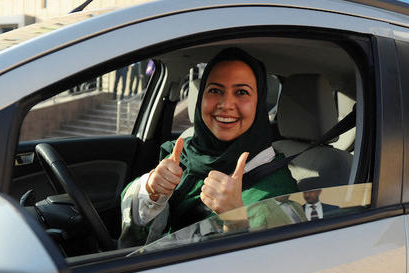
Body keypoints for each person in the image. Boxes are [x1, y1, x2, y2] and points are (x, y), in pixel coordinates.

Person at [119, 48, 298, 246]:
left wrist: (235, 219)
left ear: (259, 104)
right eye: (215, 90)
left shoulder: (278, 191)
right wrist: (151, 190)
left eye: (241, 92)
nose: (226, 103)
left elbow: (276, 265)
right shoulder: (185, 153)